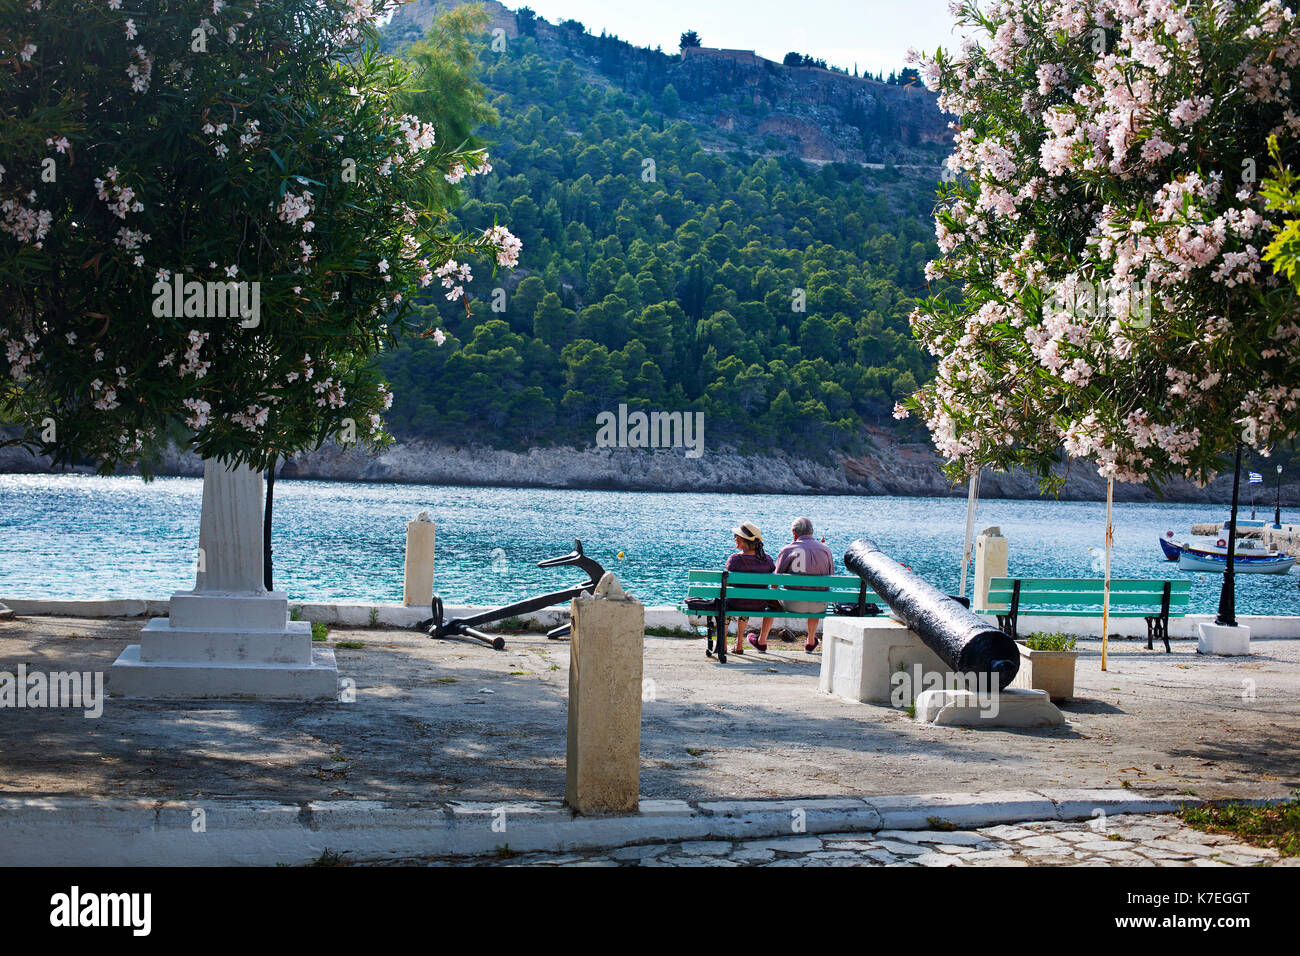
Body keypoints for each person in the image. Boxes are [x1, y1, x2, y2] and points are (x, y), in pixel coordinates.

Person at [756, 516, 834, 653]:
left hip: (793, 604)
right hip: (819, 605)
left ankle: (761, 641)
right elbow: (830, 578)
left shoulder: (787, 550)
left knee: (772, 596)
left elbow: (775, 583)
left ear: (794, 533)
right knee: (818, 594)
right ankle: (810, 642)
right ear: (812, 532)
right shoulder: (825, 550)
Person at [723, 521, 775, 655]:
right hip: (758, 604)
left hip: (736, 603)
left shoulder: (734, 560)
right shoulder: (768, 560)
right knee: (745, 597)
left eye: (737, 536)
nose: (735, 538)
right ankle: (739, 643)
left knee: (727, 599)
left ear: (744, 540)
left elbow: (727, 585)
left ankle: (722, 644)